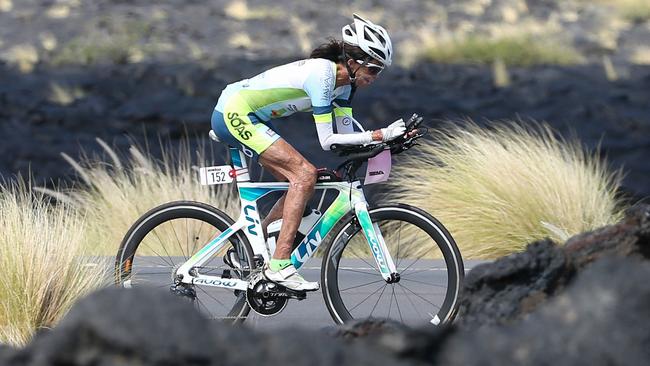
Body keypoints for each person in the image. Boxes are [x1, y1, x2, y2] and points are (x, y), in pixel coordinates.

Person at [211, 14, 406, 291]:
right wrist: (379, 134)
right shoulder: (322, 75)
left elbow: (348, 137)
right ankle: (279, 264)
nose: (375, 77)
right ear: (352, 62)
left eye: (379, 71)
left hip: (249, 115)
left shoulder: (344, 87)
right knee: (303, 175)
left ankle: (248, 252)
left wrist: (390, 141)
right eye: (373, 69)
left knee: (305, 181)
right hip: (234, 111)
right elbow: (328, 141)